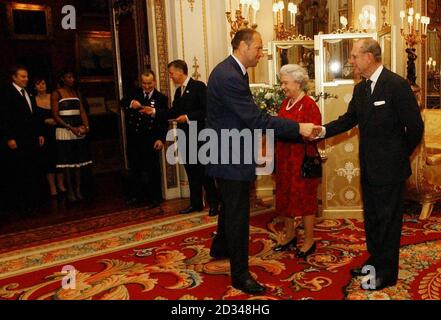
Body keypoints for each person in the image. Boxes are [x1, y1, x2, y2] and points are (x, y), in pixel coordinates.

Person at [206, 29, 315, 295]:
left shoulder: (231, 70)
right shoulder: (230, 75)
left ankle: (219, 248)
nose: (261, 52)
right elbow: (255, 120)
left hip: (227, 151)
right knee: (238, 213)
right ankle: (240, 276)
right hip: (229, 156)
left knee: (228, 207)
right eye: (258, 48)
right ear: (243, 46)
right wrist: (297, 128)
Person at [311, 39, 424, 291]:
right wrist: (321, 131)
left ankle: (387, 273)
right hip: (369, 167)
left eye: (354, 56)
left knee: (388, 221)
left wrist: (399, 155)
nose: (351, 61)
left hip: (391, 169)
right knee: (372, 219)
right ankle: (375, 262)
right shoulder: (361, 89)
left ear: (369, 57)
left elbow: (415, 127)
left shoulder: (396, 85)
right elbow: (349, 119)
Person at [147, 60, 220, 216]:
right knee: (191, 171)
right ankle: (196, 204)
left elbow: (207, 110)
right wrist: (153, 111)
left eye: (172, 73)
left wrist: (187, 117)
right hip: (185, 137)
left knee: (204, 172)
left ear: (180, 71)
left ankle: (214, 203)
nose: (171, 76)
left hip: (199, 137)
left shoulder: (198, 87)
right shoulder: (178, 91)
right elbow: (173, 111)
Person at [273, 64, 322, 259]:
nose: (283, 86)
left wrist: (294, 132)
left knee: (305, 200)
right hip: (284, 159)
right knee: (285, 198)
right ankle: (290, 234)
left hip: (302, 160)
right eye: (282, 83)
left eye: (285, 82)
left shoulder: (309, 104)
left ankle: (309, 240)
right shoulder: (285, 103)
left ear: (298, 82)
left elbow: (315, 133)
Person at [1, 65, 45, 214]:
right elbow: (4, 118)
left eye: (27, 76)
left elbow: (34, 116)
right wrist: (9, 138)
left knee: (32, 168)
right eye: (22, 77)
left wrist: (39, 133)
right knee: (19, 170)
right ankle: (20, 203)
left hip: (31, 138)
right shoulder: (7, 93)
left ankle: (33, 201)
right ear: (14, 77)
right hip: (17, 139)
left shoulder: (29, 92)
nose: (26, 79)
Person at [121, 70, 168, 209]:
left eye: (149, 83)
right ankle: (136, 196)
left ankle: (155, 198)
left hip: (151, 139)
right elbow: (122, 102)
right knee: (135, 168)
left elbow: (163, 121)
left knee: (152, 169)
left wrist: (161, 139)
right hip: (134, 139)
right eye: (144, 83)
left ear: (154, 82)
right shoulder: (134, 93)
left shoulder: (161, 98)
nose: (146, 86)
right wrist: (131, 103)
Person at [51, 70, 92, 202]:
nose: (72, 79)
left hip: (78, 130)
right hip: (64, 130)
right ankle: (70, 191)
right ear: (63, 79)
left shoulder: (76, 92)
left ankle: (78, 189)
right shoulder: (56, 93)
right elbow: (55, 115)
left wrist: (86, 127)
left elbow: (83, 112)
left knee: (78, 163)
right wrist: (70, 127)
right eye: (69, 77)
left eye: (73, 76)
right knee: (67, 163)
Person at [34, 77, 66, 198]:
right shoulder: (33, 100)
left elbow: (61, 112)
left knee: (60, 158)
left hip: (58, 130)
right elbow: (33, 119)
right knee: (48, 160)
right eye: (38, 84)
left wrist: (56, 121)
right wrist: (45, 122)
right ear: (34, 86)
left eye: (43, 82)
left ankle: (61, 185)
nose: (41, 85)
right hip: (44, 133)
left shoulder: (53, 97)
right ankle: (52, 187)